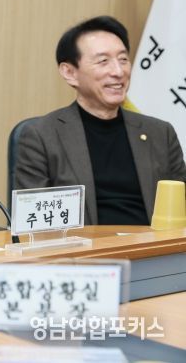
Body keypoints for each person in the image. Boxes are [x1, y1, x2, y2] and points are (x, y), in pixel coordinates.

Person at [13, 15, 186, 225]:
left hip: (155, 245)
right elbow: (35, 220)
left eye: (123, 59)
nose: (118, 71)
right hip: (83, 246)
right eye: (103, 61)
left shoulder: (160, 133)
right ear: (70, 73)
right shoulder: (42, 136)